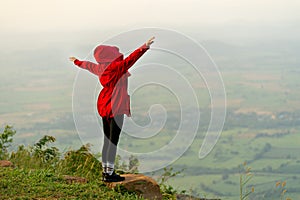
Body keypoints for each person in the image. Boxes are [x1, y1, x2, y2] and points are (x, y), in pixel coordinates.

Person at [69, 36, 155, 182]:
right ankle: (109, 174)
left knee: (107, 140)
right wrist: (144, 46)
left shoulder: (100, 68)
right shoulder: (116, 67)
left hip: (105, 105)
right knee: (113, 141)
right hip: (116, 106)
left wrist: (76, 61)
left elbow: (87, 65)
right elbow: (131, 59)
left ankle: (105, 172)